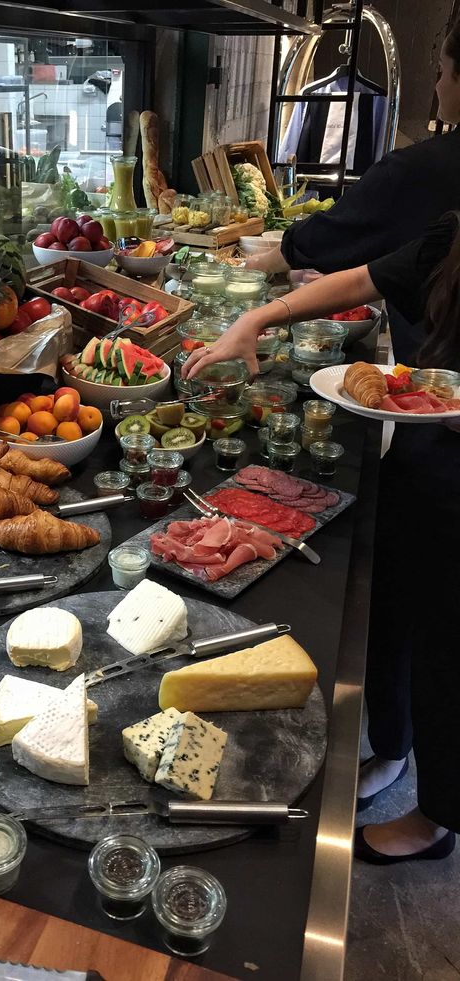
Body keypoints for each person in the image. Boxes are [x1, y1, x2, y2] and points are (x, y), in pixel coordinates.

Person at [181, 204, 460, 863]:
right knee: (390, 624)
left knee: (450, 655)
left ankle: (437, 819)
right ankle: (393, 749)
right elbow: (366, 278)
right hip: (427, 463)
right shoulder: (450, 234)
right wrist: (256, 317)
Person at [245, 19, 460, 362]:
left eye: (441, 72)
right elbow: (371, 277)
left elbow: (341, 240)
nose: (437, 86)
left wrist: (258, 269)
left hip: (435, 372)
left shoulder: (414, 169)